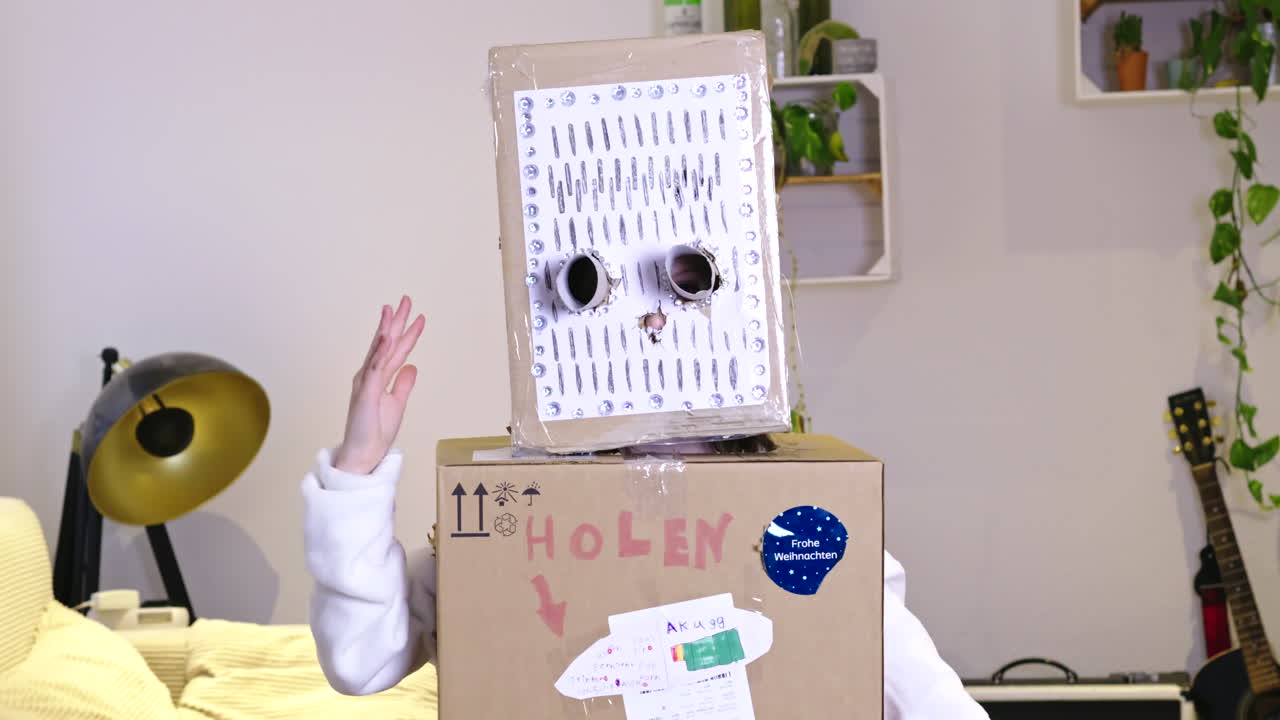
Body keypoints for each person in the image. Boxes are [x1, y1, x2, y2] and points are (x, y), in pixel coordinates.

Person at [303, 296, 990, 719]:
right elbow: (361, 661)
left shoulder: (807, 549)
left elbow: (936, 706)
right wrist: (359, 466)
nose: (654, 326)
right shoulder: (521, 539)